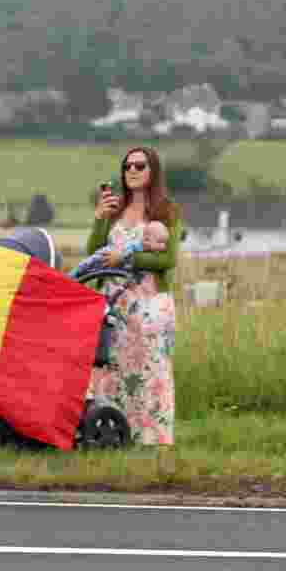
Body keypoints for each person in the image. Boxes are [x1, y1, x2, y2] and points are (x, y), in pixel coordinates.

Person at [83, 147, 183, 446]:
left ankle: (154, 439)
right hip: (114, 305)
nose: (133, 170)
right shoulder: (115, 212)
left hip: (151, 304)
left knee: (151, 371)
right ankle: (114, 435)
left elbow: (167, 260)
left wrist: (126, 260)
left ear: (153, 170)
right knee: (112, 370)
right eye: (127, 166)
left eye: (140, 165)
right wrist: (100, 218)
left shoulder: (168, 211)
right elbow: (94, 252)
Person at [68, 219, 169, 280]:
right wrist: (122, 256)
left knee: (91, 271)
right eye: (160, 242)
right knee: (87, 265)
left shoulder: (150, 253)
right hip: (107, 254)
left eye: (164, 243)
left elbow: (166, 260)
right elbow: (127, 251)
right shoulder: (138, 246)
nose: (163, 246)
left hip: (114, 270)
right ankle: (71, 277)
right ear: (146, 240)